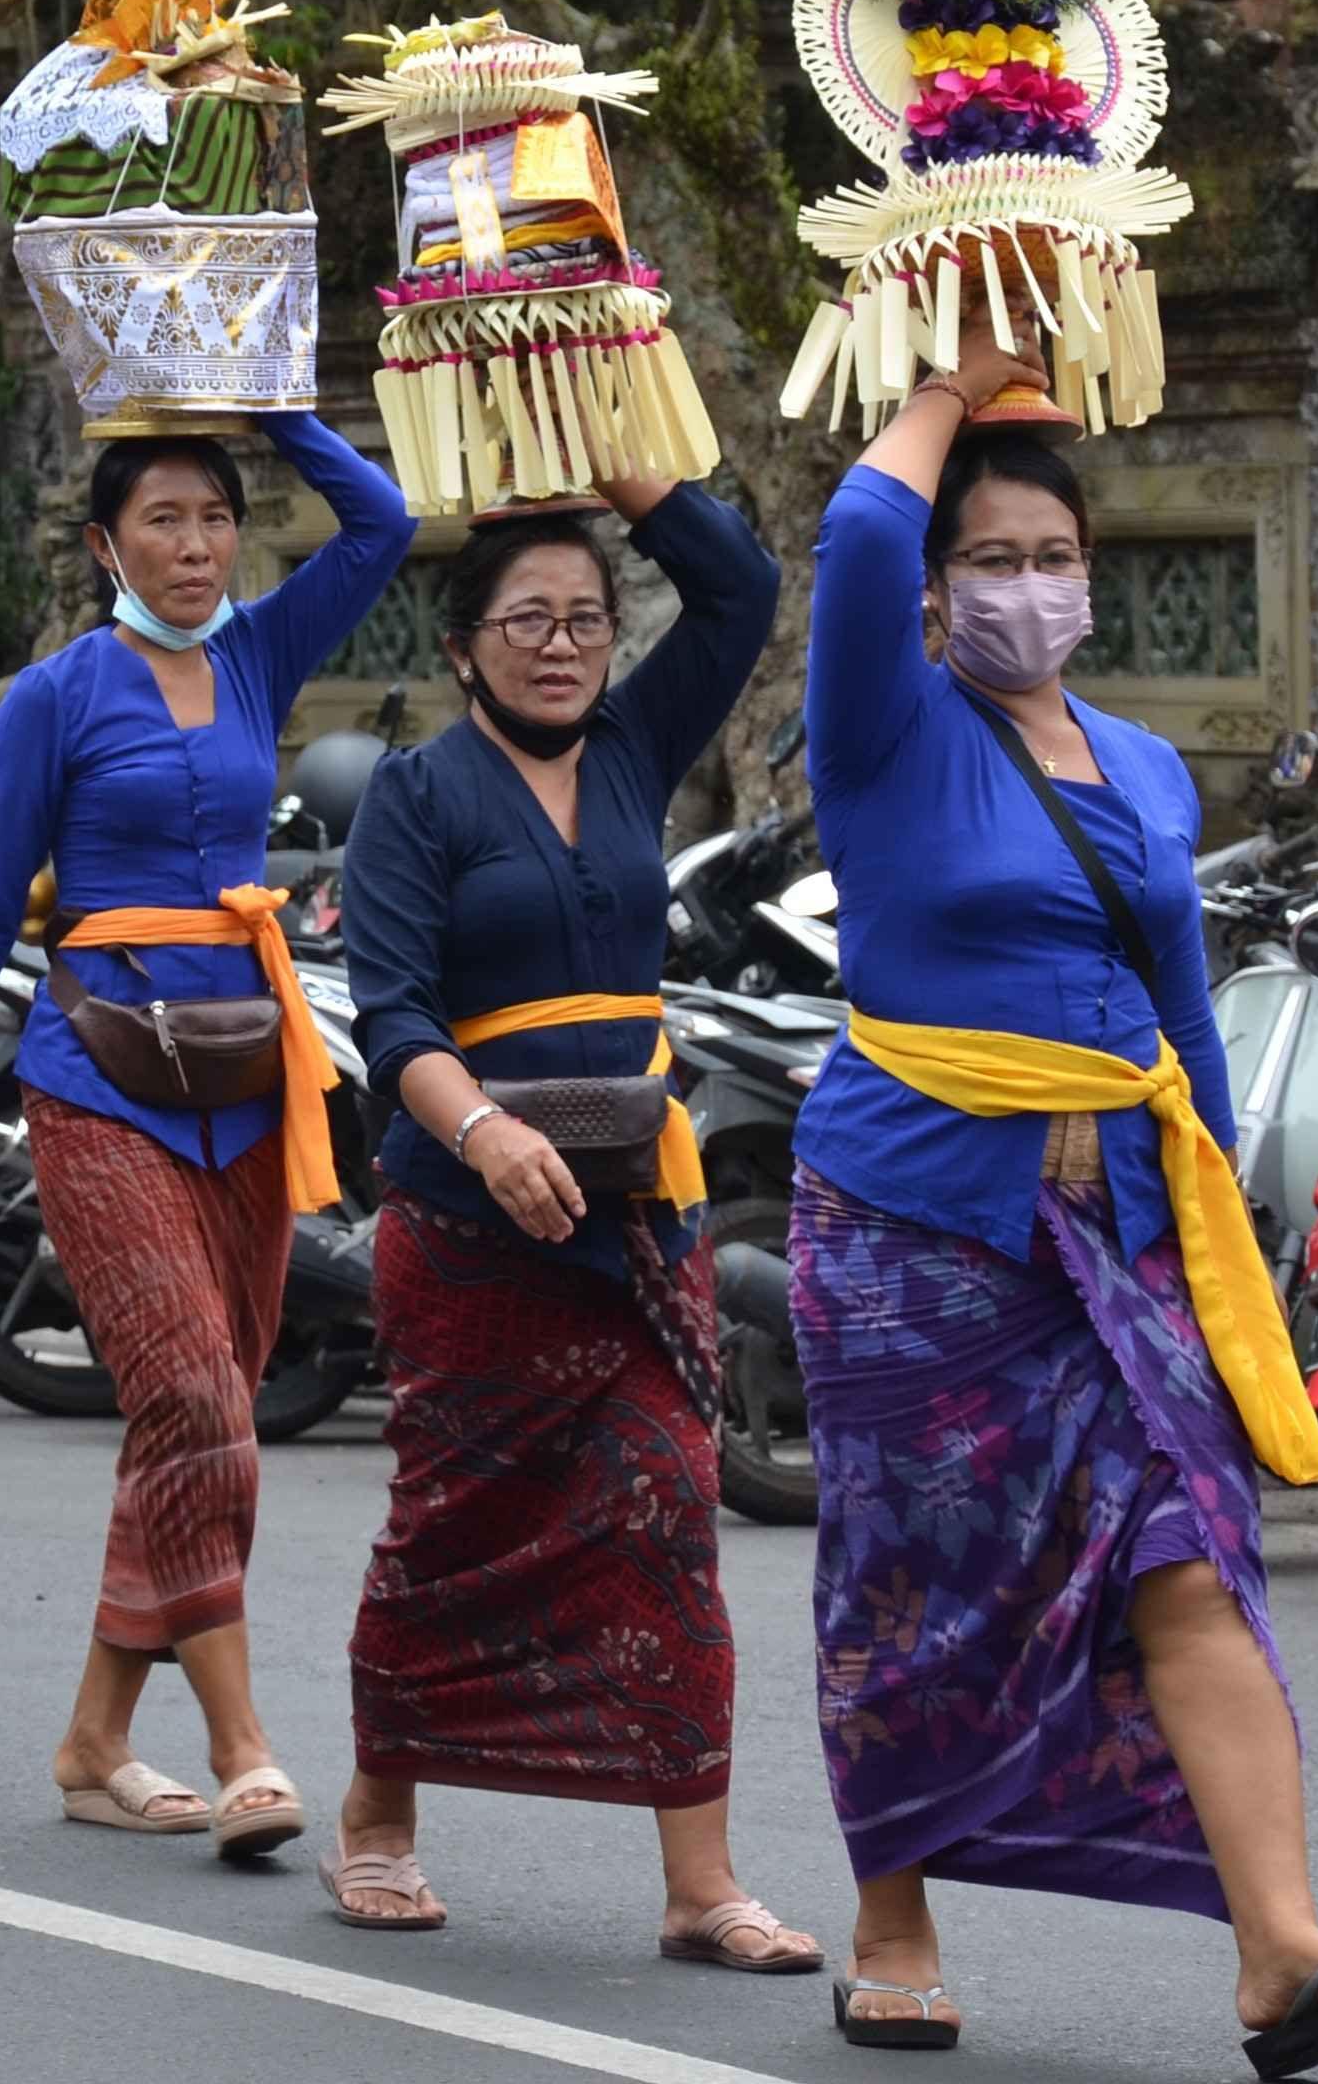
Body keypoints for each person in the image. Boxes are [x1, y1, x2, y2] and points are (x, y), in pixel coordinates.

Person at [793, 314, 1318, 2072]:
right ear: (936, 591)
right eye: (991, 557)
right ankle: (890, 1915)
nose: (1028, 583)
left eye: (1056, 555)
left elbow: (1177, 1008)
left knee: (1190, 1555)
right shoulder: (880, 728)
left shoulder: (1144, 768)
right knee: (912, 1582)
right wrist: (949, 380)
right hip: (907, 1231)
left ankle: (1279, 1948)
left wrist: (1222, 1214)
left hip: (1121, 1242)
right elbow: (857, 535)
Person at [0, 412, 412, 1856]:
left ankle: (96, 1739)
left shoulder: (257, 656)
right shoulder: (50, 696)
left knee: (190, 1414)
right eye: (162, 520)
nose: (194, 546)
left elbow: (384, 528)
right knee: (199, 1404)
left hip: (242, 1086)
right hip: (95, 1080)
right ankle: (241, 1744)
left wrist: (268, 404)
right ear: (107, 544)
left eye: (216, 517)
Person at [325, 475, 807, 1973]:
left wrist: (632, 481)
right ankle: (379, 1819)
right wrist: (484, 1128)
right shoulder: (416, 796)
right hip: (471, 1227)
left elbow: (738, 592)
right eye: (527, 619)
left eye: (586, 619)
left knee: (669, 1503)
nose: (561, 644)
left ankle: (700, 1882)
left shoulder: (634, 751)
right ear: (464, 647)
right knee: (454, 1529)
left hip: (631, 1218)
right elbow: (397, 1010)